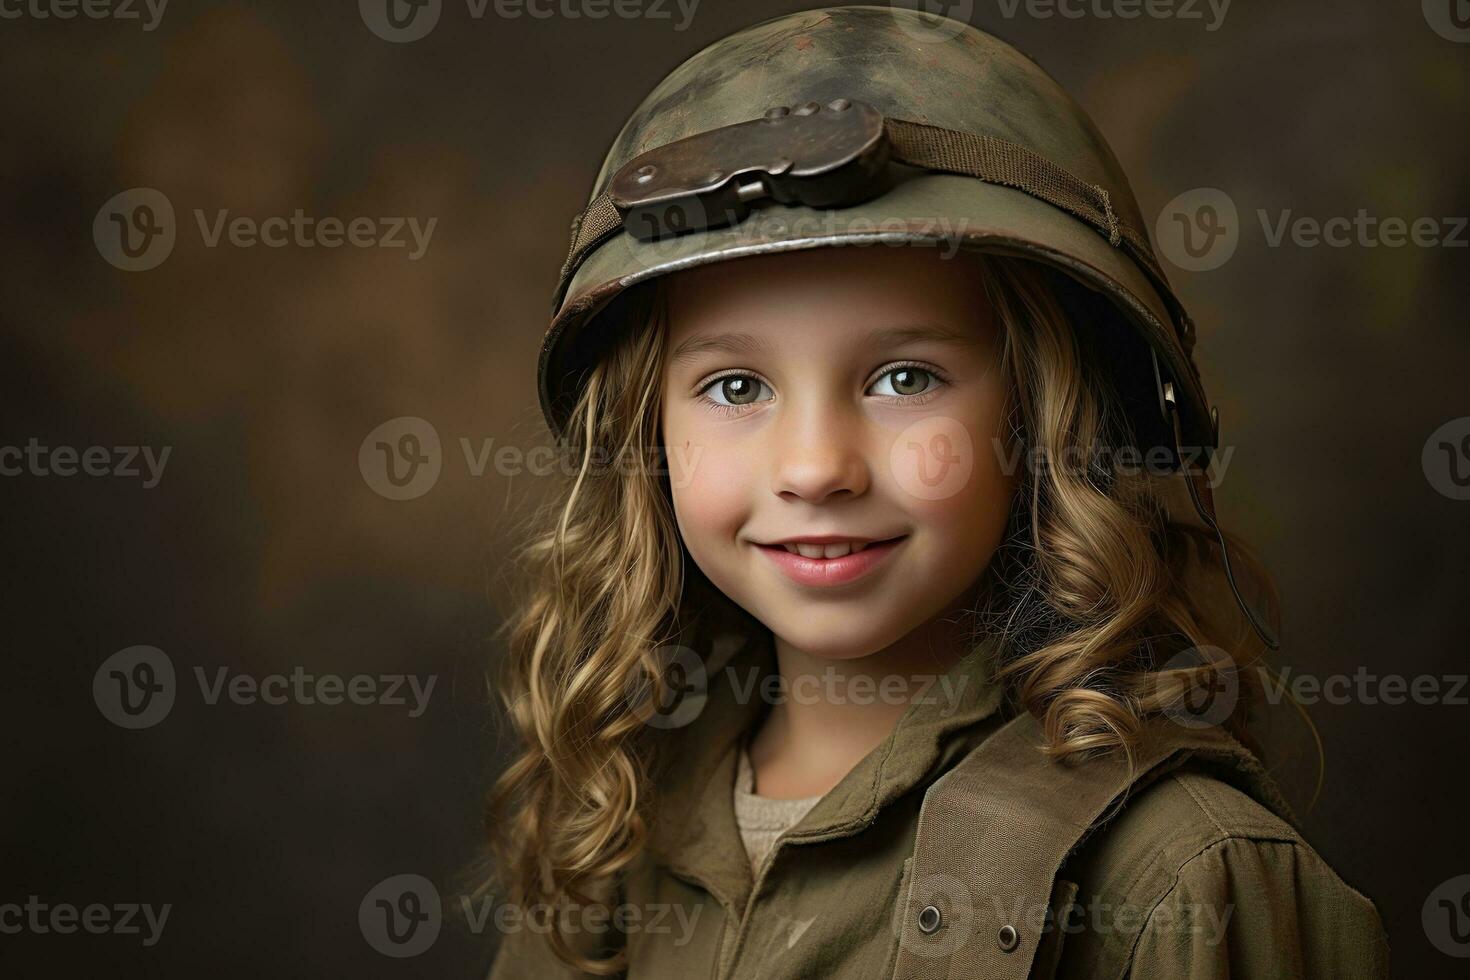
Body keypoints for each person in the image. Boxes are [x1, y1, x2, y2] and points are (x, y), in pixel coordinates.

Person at [483, 6, 1389, 977]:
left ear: (1041, 419)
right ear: (646, 435)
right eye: (736, 386)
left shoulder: (1180, 877)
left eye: (904, 378)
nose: (816, 466)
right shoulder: (612, 830)